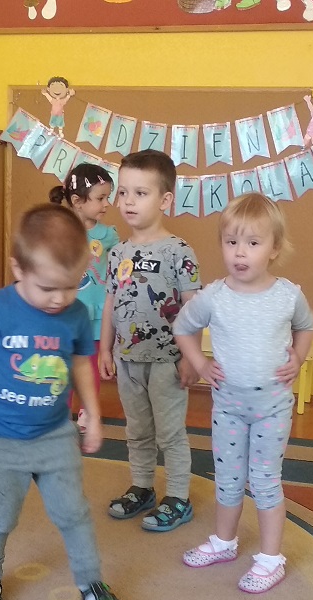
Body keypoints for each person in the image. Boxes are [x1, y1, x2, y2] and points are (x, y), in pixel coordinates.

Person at [0, 203, 128, 600]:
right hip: (0, 437)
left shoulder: (75, 313)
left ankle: (92, 584)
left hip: (56, 434)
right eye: (48, 288)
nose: (59, 299)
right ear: (18, 268)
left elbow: (80, 364)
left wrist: (93, 414)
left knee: (74, 513)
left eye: (71, 287)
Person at [173, 193, 313, 593]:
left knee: (266, 481)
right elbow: (183, 328)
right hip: (229, 408)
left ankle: (270, 559)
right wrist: (200, 364)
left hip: (272, 408)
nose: (240, 252)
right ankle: (224, 542)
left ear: (274, 248)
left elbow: (306, 327)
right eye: (231, 241)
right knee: (228, 478)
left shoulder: (288, 295)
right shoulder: (213, 296)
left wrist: (298, 357)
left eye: (252, 243)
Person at [100, 149, 201, 532]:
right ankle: (142, 487)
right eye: (123, 192)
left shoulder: (179, 251)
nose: (128, 201)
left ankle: (178, 497)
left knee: (170, 433)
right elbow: (111, 303)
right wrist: (104, 348)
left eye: (140, 193)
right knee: (137, 430)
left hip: (167, 360)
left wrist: (191, 357)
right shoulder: (117, 253)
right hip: (127, 358)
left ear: (165, 200)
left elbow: (193, 308)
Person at [49, 162, 119, 432]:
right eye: (100, 198)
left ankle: (88, 412)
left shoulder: (108, 235)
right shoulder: (58, 231)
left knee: (91, 365)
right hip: (66, 311)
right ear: (77, 201)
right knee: (62, 364)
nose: (106, 204)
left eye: (107, 197)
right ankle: (60, 412)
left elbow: (118, 269)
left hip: (96, 312)